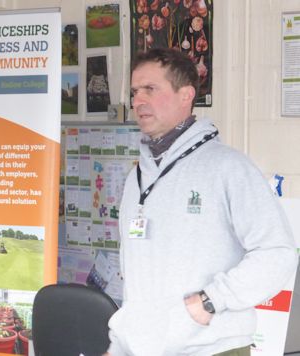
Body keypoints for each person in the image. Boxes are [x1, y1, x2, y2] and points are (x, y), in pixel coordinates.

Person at [106, 48, 298, 356]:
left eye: (150, 90)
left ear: (186, 95)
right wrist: (118, 344)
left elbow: (278, 252)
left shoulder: (227, 167)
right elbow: (135, 275)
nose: (138, 101)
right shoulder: (137, 177)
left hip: (210, 349)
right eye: (134, 92)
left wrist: (212, 299)